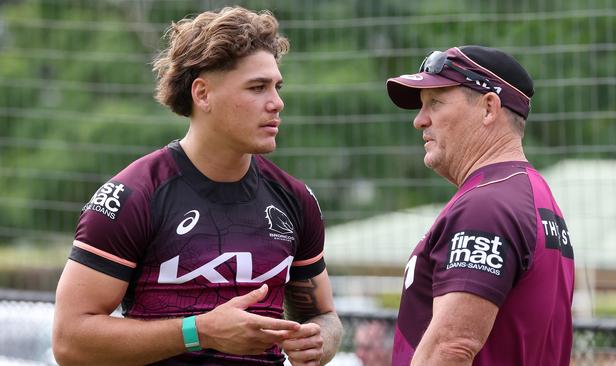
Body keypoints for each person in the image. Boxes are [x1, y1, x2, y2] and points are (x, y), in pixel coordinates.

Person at [52, 6, 342, 366]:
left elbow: (324, 316)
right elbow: (69, 342)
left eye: (277, 87)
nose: (277, 103)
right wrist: (200, 331)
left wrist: (320, 340)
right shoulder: (133, 196)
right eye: (257, 87)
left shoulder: (296, 200)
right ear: (202, 94)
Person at [385, 45, 574, 365]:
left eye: (435, 102)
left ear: (488, 108)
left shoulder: (487, 204)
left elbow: (452, 346)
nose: (419, 120)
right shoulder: (531, 194)